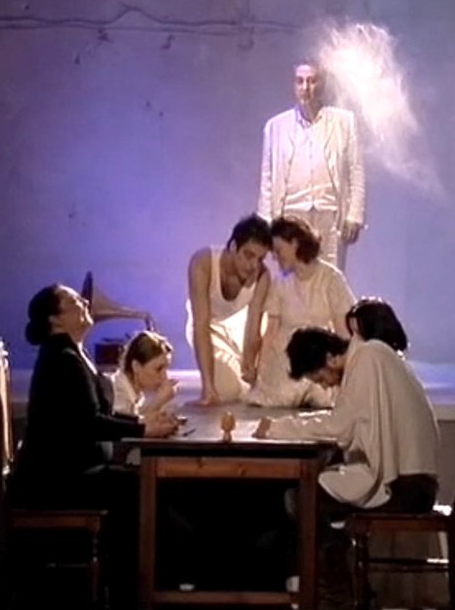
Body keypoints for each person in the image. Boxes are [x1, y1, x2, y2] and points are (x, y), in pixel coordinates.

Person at [7, 284, 179, 608]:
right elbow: (89, 423)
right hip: (58, 481)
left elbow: (98, 415)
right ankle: (133, 593)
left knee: (136, 481)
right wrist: (143, 428)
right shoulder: (62, 359)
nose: (84, 302)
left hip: (72, 473)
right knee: (139, 486)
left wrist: (143, 423)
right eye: (74, 301)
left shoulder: (73, 354)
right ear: (56, 319)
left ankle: (138, 587)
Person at [253, 303, 440, 513]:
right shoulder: (373, 355)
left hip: (407, 488)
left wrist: (277, 428)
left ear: (329, 359)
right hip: (412, 483)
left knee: (303, 494)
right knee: (318, 483)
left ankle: (329, 536)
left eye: (320, 378)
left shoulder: (367, 357)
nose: (325, 386)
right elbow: (346, 419)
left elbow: (340, 427)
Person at [258, 59, 365, 270]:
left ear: (321, 84)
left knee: (329, 276)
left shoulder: (344, 122)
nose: (305, 87)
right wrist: (265, 222)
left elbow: (356, 170)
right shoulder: (276, 127)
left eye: (312, 81)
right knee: (291, 276)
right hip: (290, 214)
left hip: (329, 213)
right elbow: (267, 178)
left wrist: (355, 214)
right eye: (300, 81)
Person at [243, 215, 354, 408]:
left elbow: (343, 333)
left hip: (319, 360)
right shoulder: (280, 283)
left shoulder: (331, 278)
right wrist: (261, 374)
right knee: (281, 396)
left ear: (295, 243)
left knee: (324, 396)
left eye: (278, 250)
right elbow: (271, 332)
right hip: (287, 359)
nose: (275, 257)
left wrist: (348, 372)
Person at [184, 214, 272, 406]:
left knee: (255, 384)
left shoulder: (262, 275)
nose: (253, 265)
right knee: (227, 390)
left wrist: (249, 365)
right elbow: (201, 325)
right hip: (208, 328)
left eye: (260, 258)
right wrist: (208, 387)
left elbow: (254, 327)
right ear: (233, 246)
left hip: (237, 329)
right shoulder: (203, 263)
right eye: (249, 255)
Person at [109, 330, 178, 420]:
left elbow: (137, 417)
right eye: (158, 369)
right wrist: (159, 402)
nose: (164, 376)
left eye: (166, 369)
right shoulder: (116, 393)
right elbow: (127, 426)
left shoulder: (135, 393)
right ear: (136, 366)